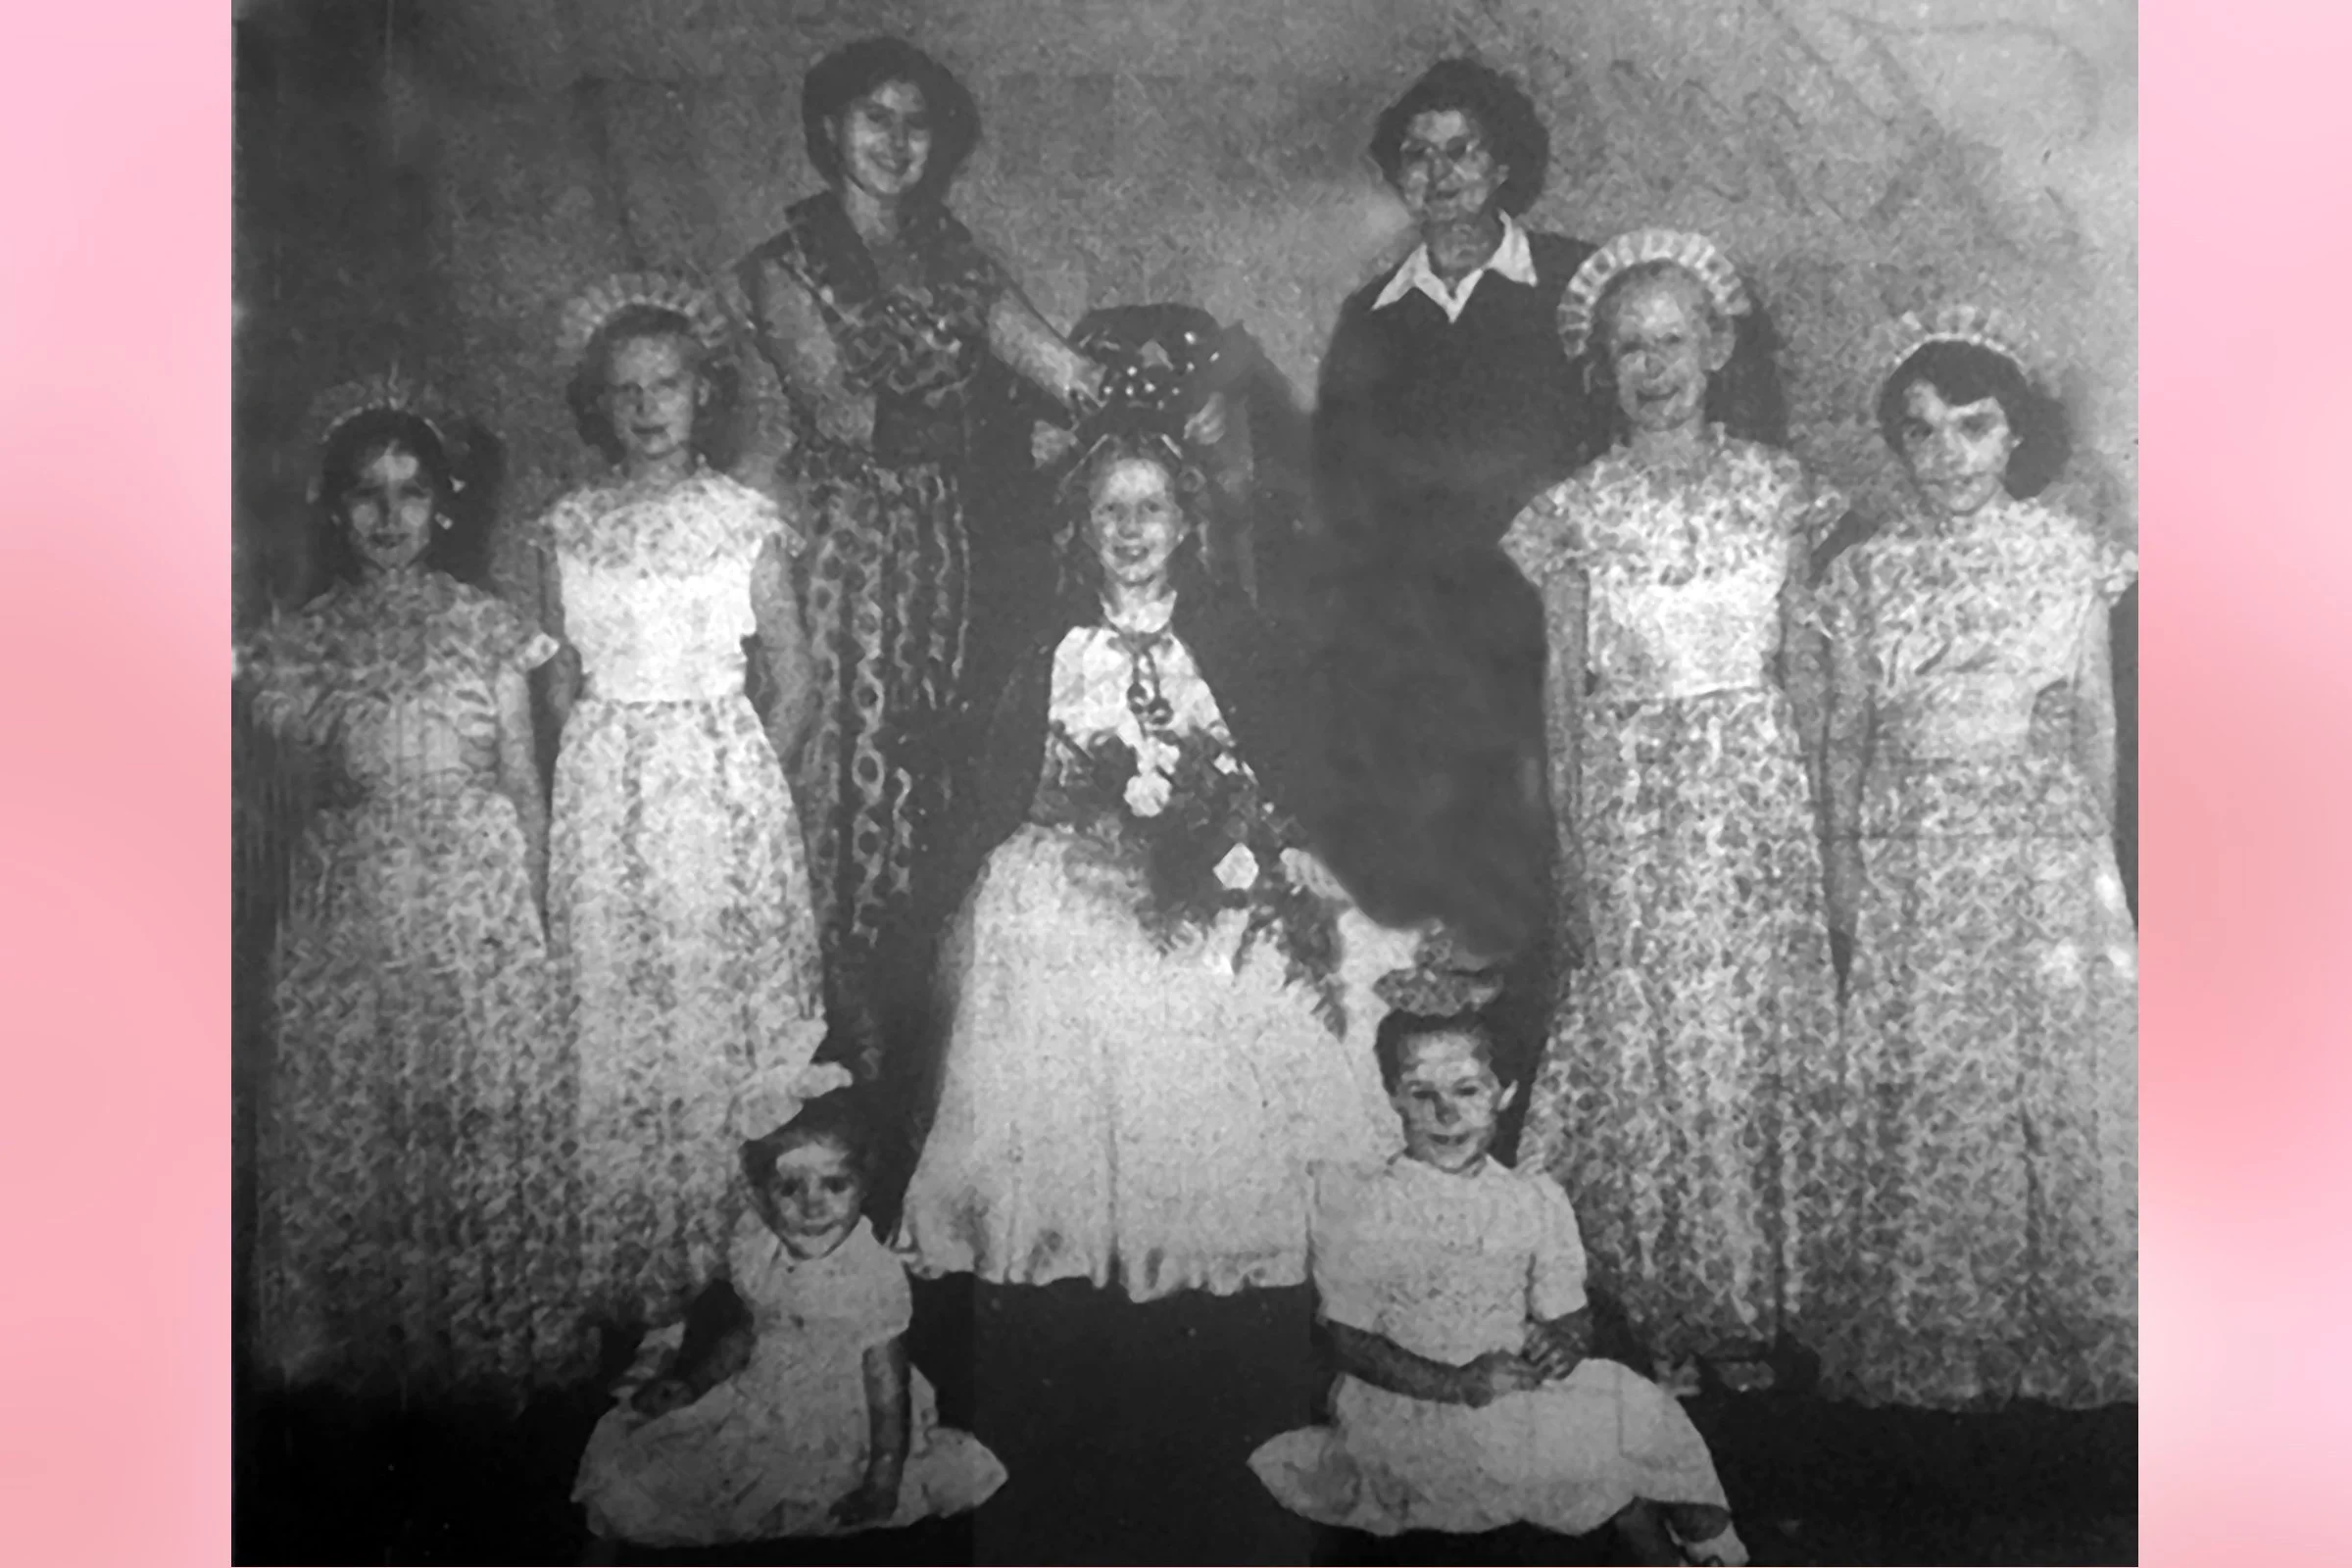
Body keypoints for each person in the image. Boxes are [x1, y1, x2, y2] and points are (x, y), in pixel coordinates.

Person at [896, 409, 1397, 1302]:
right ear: (1082, 529)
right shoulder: (1052, 647)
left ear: (1187, 525)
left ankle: (1219, 1229)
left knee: (1276, 965)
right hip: (1080, 870)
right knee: (1060, 955)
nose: (1131, 531)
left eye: (1151, 509)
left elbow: (1274, 762)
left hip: (1204, 871)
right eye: (1111, 512)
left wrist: (1237, 834)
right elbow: (1010, 781)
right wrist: (1088, 824)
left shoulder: (1230, 638)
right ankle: (1075, 1228)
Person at [1501, 230, 1841, 1394]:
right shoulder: (1573, 512)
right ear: (1602, 367)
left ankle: (1751, 1306)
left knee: (1745, 1041)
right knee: (1655, 1047)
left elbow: (1805, 671)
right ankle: (1665, 1310)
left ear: (1719, 349)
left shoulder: (1783, 490)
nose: (1654, 369)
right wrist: (1573, 850)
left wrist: (1821, 829)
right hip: (1636, 807)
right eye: (1629, 348)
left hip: (1756, 805)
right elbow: (1562, 693)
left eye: (1674, 342)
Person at [736, 35, 1104, 1084]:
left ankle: (908, 1058)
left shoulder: (957, 256)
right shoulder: (783, 267)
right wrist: (1010, 434)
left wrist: (1134, 388)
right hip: (843, 558)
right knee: (839, 779)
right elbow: (847, 416)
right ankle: (827, 1050)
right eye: (874, 118)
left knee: (932, 779)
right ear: (828, 131)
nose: (896, 141)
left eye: (916, 122)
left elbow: (1059, 368)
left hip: (951, 553)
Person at [1809, 307, 2136, 1409]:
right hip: (1917, 862)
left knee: (2047, 1081)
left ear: (2015, 434)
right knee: (1942, 1083)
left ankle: (2065, 1331)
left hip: (2039, 855)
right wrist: (1846, 877)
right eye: (1921, 431)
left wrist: (2095, 873)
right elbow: (1844, 735)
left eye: (1973, 426)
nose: (1946, 455)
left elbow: (2094, 719)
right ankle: (1948, 1335)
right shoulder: (1867, 573)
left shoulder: (2067, 552)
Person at [236, 371, 576, 1399]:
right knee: (363, 1107)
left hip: (474, 899)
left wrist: (539, 919)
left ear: (446, 507)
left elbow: (523, 784)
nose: (390, 518)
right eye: (367, 495)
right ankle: (361, 1344)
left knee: (465, 1106)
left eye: (412, 493)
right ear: (336, 510)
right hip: (355, 902)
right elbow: (282, 801)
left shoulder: (487, 626)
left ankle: (477, 1337)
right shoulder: (301, 642)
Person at [525, 270, 830, 1333]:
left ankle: (737, 1269)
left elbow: (795, 680)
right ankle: (635, 1273)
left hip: (719, 791)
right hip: (607, 795)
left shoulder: (743, 521)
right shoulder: (568, 529)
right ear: (598, 405)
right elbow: (559, 686)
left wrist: (742, 791)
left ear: (706, 392)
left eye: (667, 385)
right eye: (626, 390)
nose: (648, 407)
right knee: (620, 1015)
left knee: (717, 1009)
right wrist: (597, 791)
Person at [1250, 1011, 1749, 1566]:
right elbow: (1348, 1341)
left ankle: (1717, 1549)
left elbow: (1567, 1312)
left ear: (1504, 1094)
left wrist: (1564, 1342)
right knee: (1585, 1463)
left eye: (1467, 1090)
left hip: (1516, 1384)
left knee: (1645, 1410)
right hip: (1410, 1401)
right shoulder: (1362, 1203)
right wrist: (1457, 1383)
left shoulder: (1534, 1198)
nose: (1445, 1114)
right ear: (1392, 1096)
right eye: (1422, 1093)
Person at [1310, 58, 1606, 985]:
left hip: (1556, 616)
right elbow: (1341, 487)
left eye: (1462, 150)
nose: (1440, 175)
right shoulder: (1373, 317)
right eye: (1417, 155)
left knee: (1559, 843)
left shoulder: (1573, 283)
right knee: (1453, 871)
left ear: (1505, 163)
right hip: (1427, 632)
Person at [574, 1089, 1005, 1556]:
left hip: (848, 1411)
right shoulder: (761, 1250)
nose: (813, 1206)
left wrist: (883, 1473)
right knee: (663, 1467)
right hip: (764, 1393)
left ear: (864, 1186)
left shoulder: (872, 1276)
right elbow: (752, 1331)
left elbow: (888, 1385)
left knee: (809, 1485)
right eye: (790, 1188)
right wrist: (696, 1382)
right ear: (761, 1196)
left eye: (835, 1185)